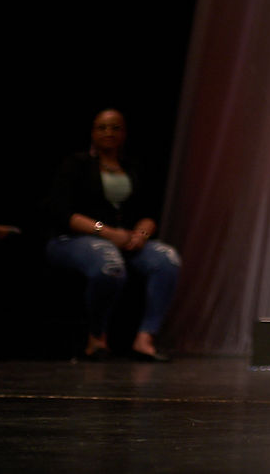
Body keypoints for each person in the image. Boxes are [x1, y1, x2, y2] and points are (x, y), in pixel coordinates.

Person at [45, 109, 182, 360]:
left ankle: (145, 339)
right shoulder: (76, 164)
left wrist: (140, 235)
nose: (109, 132)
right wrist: (107, 233)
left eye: (115, 127)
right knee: (109, 263)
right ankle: (96, 338)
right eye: (102, 127)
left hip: (123, 240)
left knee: (167, 259)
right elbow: (63, 214)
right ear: (92, 132)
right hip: (73, 240)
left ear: (124, 133)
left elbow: (149, 213)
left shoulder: (133, 167)